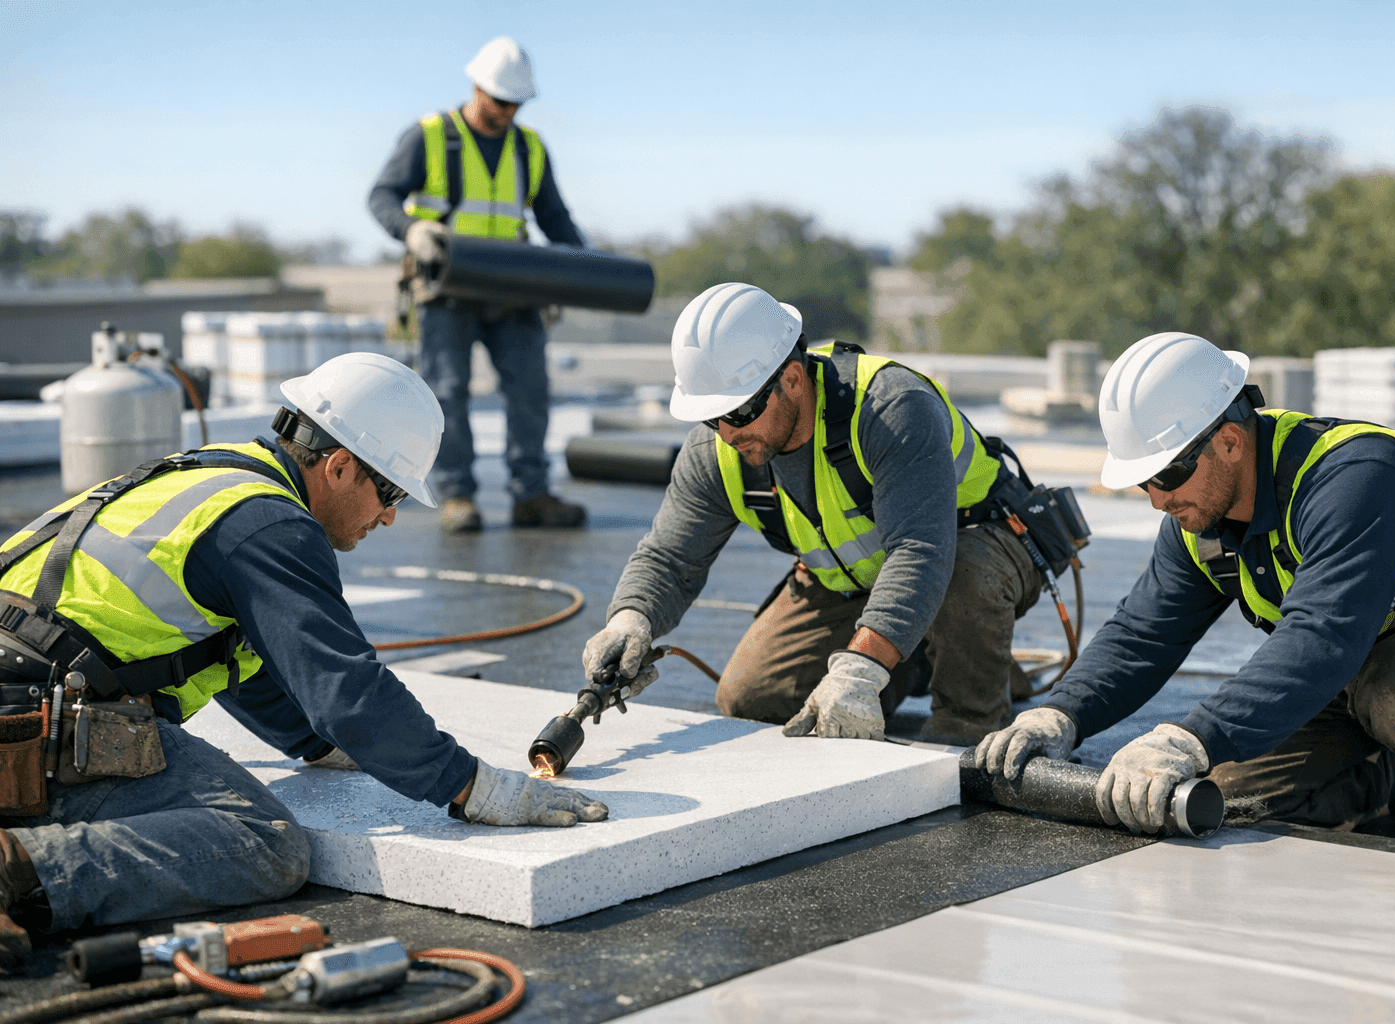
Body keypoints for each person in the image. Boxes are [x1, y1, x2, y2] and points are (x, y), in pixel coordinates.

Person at [0, 353, 607, 964]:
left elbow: (233, 657)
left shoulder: (222, 479)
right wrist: (473, 788)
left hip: (29, 692)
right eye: (389, 491)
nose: (391, 515)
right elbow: (348, 689)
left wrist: (314, 744)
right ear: (341, 466)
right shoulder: (270, 526)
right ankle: (19, 870)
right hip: (34, 719)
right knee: (264, 840)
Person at [978, 332, 1395, 854]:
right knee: (1233, 792)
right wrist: (1057, 716)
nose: (1155, 500)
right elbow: (1143, 635)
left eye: (1166, 476)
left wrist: (1188, 736)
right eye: (1142, 481)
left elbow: (1323, 637)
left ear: (1228, 441)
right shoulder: (1199, 521)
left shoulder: (1359, 477)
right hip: (1366, 666)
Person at [582, 282, 1054, 747]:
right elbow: (669, 556)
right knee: (754, 698)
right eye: (712, 416)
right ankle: (917, 653)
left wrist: (860, 670)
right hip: (859, 578)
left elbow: (921, 551)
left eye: (740, 411)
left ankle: (968, 713)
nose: (726, 433)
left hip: (977, 544)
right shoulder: (719, 449)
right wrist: (630, 619)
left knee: (962, 578)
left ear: (791, 378)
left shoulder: (889, 408)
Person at [369, 35, 587, 532]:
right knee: (448, 391)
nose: (508, 112)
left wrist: (579, 269)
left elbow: (555, 217)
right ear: (476, 87)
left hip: (513, 289)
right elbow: (381, 195)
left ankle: (531, 494)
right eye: (500, 101)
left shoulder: (529, 148)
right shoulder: (429, 137)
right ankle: (457, 496)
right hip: (448, 289)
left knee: (530, 390)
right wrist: (412, 230)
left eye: (516, 104)